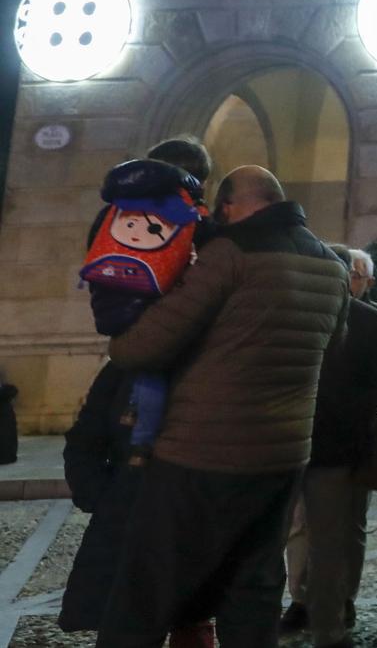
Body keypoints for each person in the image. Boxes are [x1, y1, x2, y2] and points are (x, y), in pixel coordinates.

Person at [94, 165, 351, 648]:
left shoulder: (231, 254)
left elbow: (140, 348)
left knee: (144, 592)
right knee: (252, 591)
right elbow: (331, 352)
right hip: (282, 456)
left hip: (200, 453)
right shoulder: (331, 266)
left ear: (230, 206)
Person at [62, 155, 216, 648]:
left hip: (175, 513)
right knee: (132, 627)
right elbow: (85, 439)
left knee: (184, 621)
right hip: (131, 511)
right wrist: (99, 494)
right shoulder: (125, 368)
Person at [280, 244, 377, 648]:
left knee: (308, 536)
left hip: (295, 443)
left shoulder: (291, 316)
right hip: (338, 446)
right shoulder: (371, 321)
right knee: (334, 539)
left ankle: (318, 621)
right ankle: (328, 625)